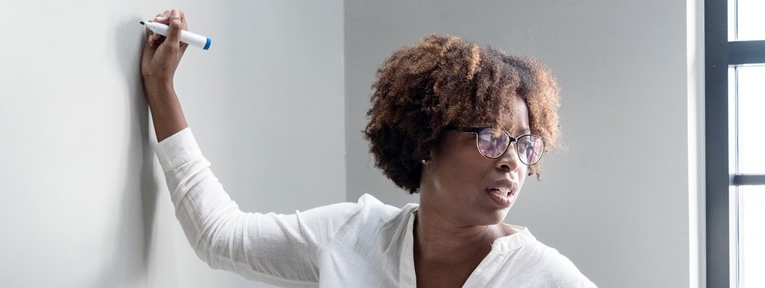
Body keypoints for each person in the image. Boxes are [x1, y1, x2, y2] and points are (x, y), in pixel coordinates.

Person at [140, 9, 596, 288]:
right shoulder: (352, 238)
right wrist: (161, 88)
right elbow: (219, 237)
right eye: (491, 136)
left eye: (524, 144)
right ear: (428, 140)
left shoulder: (544, 278)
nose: (511, 158)